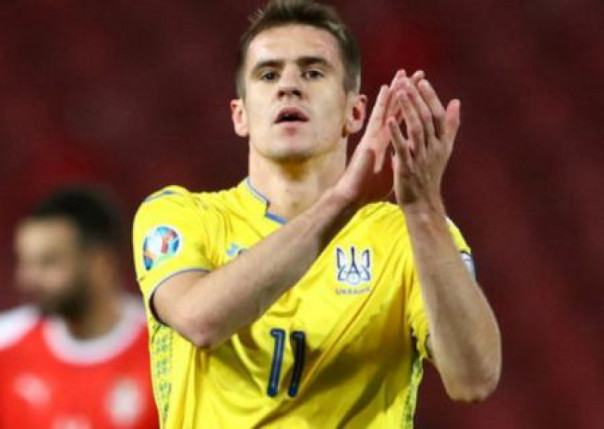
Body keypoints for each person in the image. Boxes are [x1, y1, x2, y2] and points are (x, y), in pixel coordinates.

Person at [133, 0, 502, 427]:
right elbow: (200, 321)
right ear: (240, 115)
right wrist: (344, 201)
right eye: (268, 74)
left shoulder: (409, 237)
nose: (289, 86)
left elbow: (474, 379)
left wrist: (423, 212)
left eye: (313, 72)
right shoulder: (180, 215)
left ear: (354, 112)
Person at [0, 187, 158, 429]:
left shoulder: (162, 348)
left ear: (100, 263)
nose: (26, 280)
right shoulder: (6, 342)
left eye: (48, 262)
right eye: (25, 262)